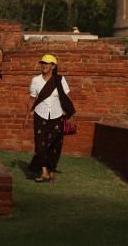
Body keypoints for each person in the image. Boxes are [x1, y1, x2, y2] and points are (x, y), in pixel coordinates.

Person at [23, 54, 75, 183]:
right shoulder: (36, 80)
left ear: (53, 66)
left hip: (57, 115)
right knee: (40, 145)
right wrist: (26, 117)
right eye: (42, 63)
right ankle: (44, 171)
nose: (44, 65)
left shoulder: (60, 80)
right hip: (40, 115)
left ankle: (51, 171)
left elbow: (67, 97)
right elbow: (31, 99)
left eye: (47, 63)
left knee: (55, 145)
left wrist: (71, 115)